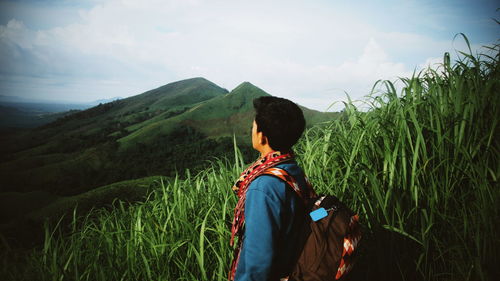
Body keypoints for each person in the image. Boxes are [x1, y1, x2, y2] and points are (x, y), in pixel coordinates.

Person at [229, 96, 315, 281]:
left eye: (253, 126)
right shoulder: (291, 170)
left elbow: (258, 260)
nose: (251, 130)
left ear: (262, 135)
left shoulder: (263, 187)